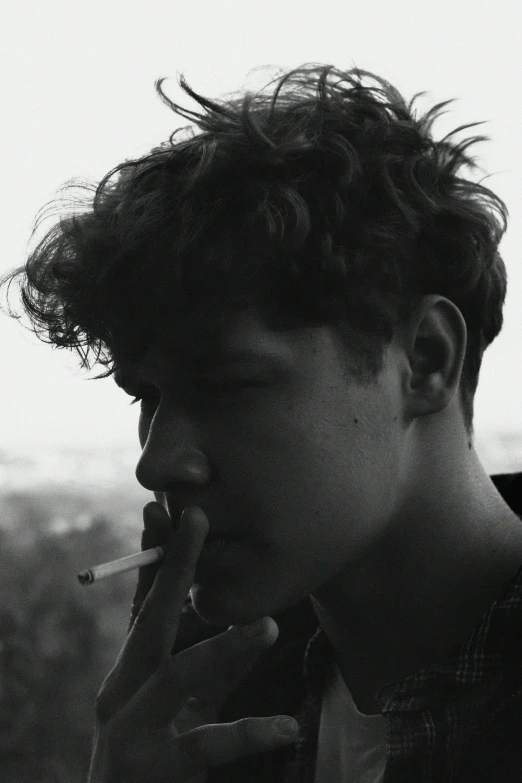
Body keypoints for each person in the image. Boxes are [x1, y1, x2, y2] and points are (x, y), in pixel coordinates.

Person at [1, 62, 522, 782]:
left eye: (226, 383)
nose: (157, 463)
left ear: (426, 361)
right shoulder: (206, 707)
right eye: (146, 395)